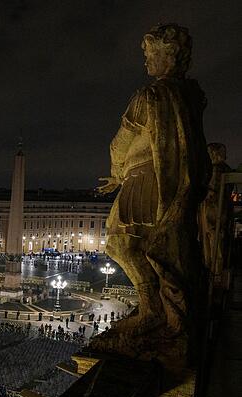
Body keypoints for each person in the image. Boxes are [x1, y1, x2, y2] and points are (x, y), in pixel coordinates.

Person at [97, 24, 210, 335]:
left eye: (150, 53)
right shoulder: (190, 96)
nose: (146, 60)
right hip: (171, 182)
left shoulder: (149, 96)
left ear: (168, 56)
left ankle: (152, 309)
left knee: (121, 243)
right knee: (153, 244)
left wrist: (117, 172)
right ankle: (164, 308)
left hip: (144, 179)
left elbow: (120, 142)